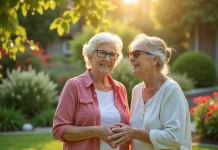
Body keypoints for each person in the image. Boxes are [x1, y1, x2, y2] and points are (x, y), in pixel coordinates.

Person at [108, 33, 192, 150]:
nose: (131, 58)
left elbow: (174, 138)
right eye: (131, 54)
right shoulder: (137, 90)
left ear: (155, 59)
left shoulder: (171, 90)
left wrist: (134, 133)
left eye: (136, 54)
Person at [52, 32, 130, 150]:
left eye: (112, 54)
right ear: (89, 56)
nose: (108, 59)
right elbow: (59, 130)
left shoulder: (120, 88)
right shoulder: (74, 86)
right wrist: (96, 131)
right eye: (102, 53)